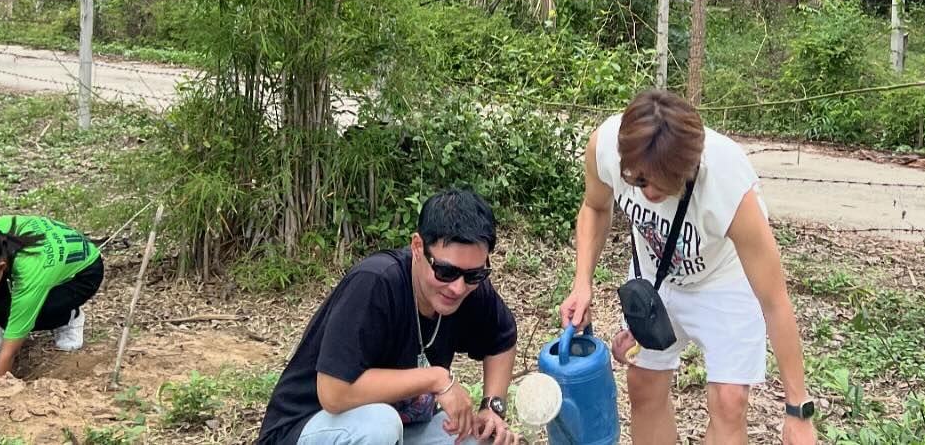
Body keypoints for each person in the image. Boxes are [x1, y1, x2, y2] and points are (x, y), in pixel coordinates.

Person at [559, 90, 816, 445]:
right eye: (639, 181)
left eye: (662, 184)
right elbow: (595, 208)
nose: (648, 194)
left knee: (729, 401)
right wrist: (582, 282)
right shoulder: (605, 145)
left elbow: (775, 300)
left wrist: (797, 409)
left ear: (690, 167)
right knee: (644, 384)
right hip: (656, 278)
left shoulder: (728, 183)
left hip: (725, 278)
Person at [258, 188, 520, 445]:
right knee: (379, 426)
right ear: (418, 247)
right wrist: (436, 378)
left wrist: (492, 408)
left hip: (405, 431)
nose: (458, 287)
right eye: (445, 271)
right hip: (311, 427)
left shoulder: (469, 289)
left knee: (477, 440)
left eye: (474, 275)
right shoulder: (376, 282)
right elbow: (333, 392)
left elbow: (502, 338)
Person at [0, 214, 104, 379]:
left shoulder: (31, 273)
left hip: (82, 274)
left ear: (1, 265)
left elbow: (10, 352)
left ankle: (68, 316)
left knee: (18, 312)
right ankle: (4, 326)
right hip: (50, 265)